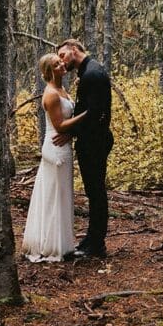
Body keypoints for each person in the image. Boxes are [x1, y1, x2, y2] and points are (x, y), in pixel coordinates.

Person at [21, 53, 88, 263]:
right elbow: (59, 125)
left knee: (62, 193)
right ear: (49, 71)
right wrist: (87, 114)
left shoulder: (62, 89)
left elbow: (66, 122)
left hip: (64, 144)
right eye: (57, 64)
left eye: (61, 62)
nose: (62, 64)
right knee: (54, 194)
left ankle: (63, 242)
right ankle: (51, 245)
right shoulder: (50, 93)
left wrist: (72, 132)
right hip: (55, 147)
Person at [53, 39, 114, 259]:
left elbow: (94, 113)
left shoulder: (92, 74)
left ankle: (97, 245)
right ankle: (92, 238)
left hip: (95, 142)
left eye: (62, 54)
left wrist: (72, 132)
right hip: (91, 140)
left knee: (96, 192)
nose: (61, 60)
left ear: (75, 49)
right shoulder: (88, 72)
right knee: (93, 192)